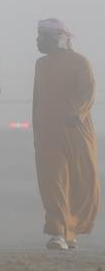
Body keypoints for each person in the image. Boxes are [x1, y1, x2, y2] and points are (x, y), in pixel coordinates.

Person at [32, 18, 99, 251]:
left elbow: (88, 93)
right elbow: (37, 100)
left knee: (82, 183)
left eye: (43, 36)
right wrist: (37, 132)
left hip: (76, 131)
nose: (38, 41)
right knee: (53, 182)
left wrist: (77, 114)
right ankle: (57, 232)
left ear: (58, 37)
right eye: (38, 36)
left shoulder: (80, 62)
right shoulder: (41, 65)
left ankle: (71, 230)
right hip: (48, 134)